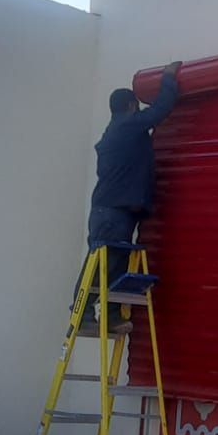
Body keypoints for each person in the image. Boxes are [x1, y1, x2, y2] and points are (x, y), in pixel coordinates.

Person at [86, 61, 181, 287]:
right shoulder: (126, 125)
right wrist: (168, 78)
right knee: (104, 264)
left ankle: (114, 315)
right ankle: (85, 314)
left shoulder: (115, 132)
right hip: (113, 212)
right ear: (130, 106)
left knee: (115, 264)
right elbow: (159, 110)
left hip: (113, 211)